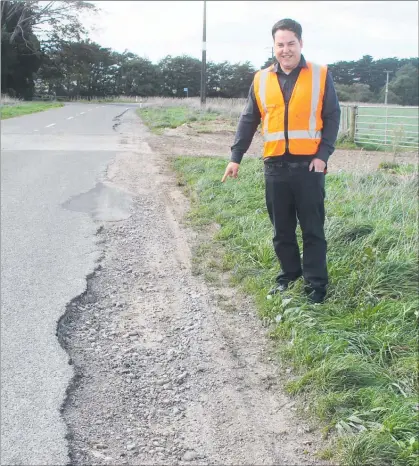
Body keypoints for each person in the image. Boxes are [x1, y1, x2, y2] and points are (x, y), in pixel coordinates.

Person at [221, 18, 341, 304]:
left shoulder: (321, 74)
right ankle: (288, 275)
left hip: (309, 167)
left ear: (301, 43)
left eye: (291, 43)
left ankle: (316, 285)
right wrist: (235, 157)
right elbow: (249, 119)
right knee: (282, 230)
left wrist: (323, 155)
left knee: (313, 229)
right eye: (280, 44)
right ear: (273, 46)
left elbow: (333, 117)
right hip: (274, 166)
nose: (285, 49)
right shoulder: (261, 79)